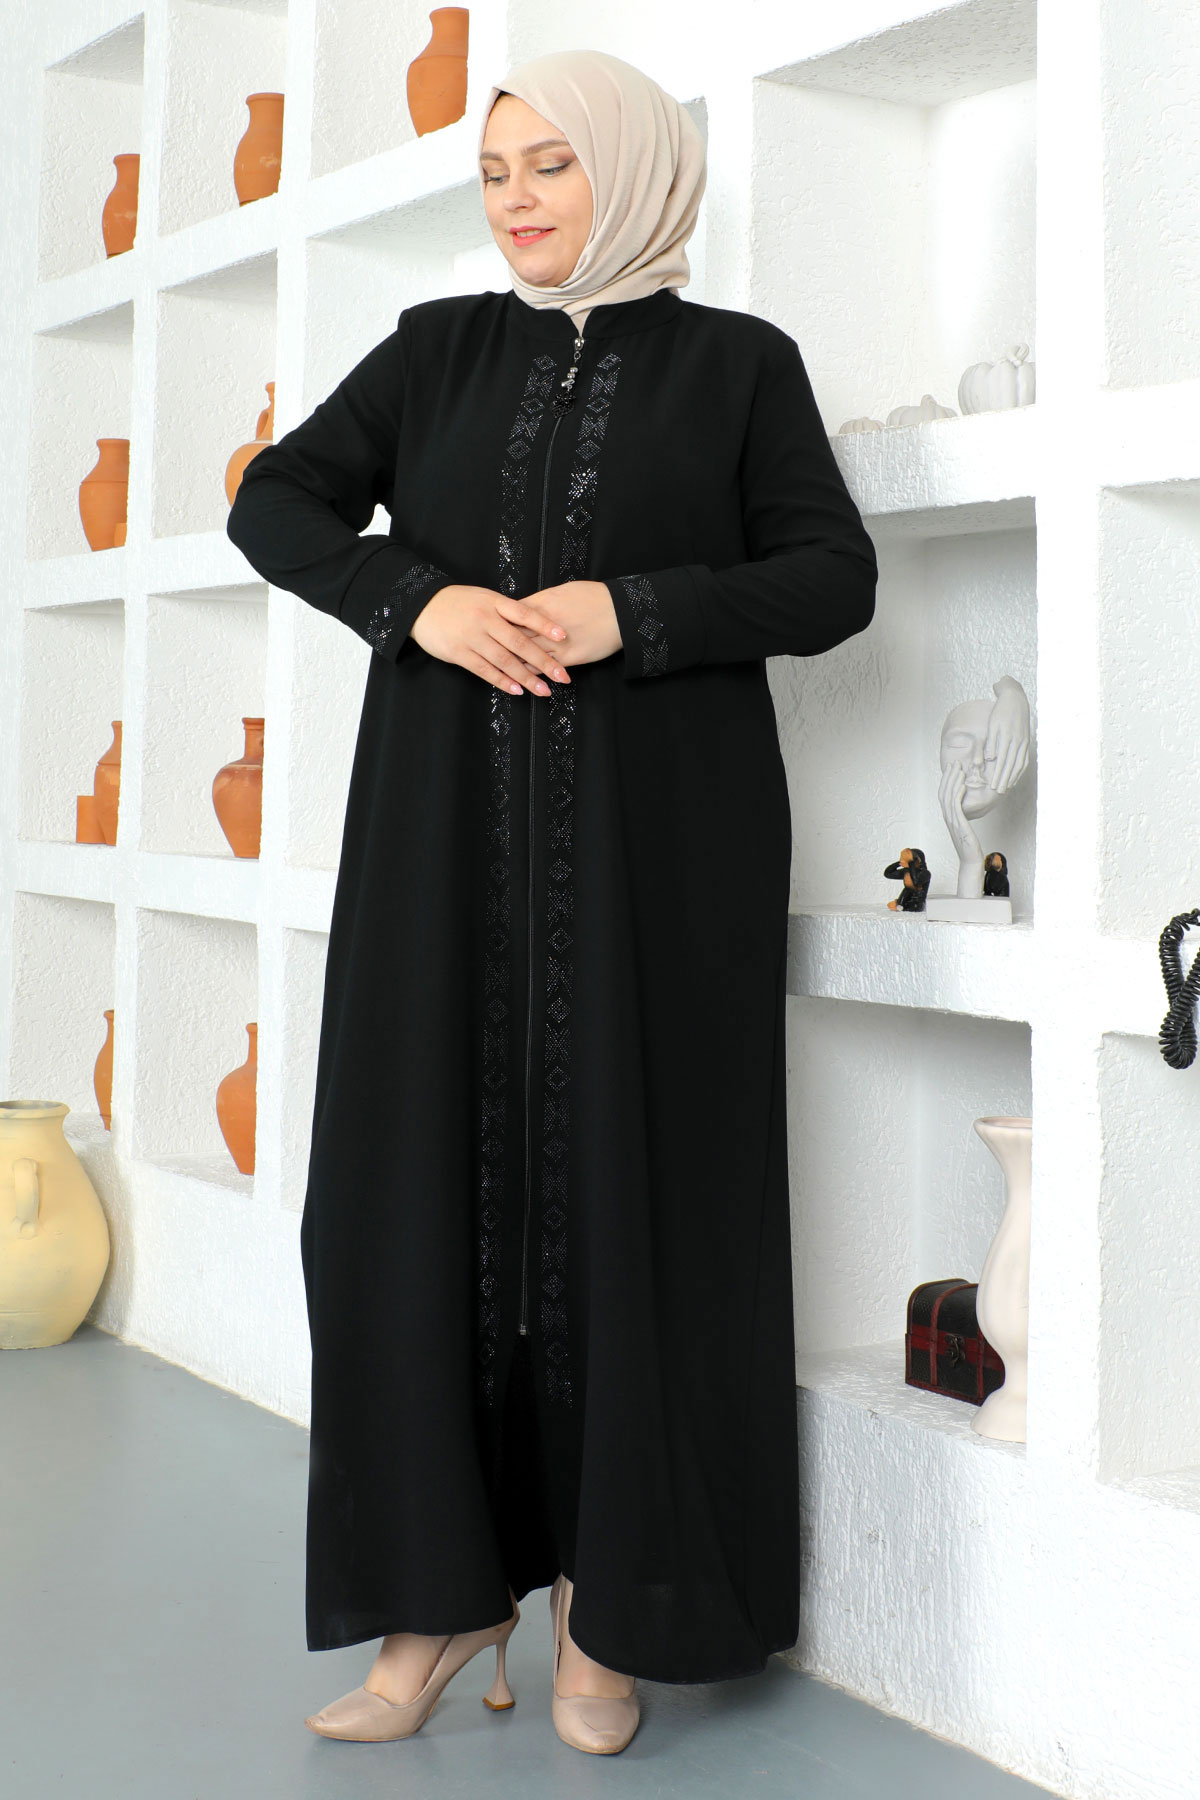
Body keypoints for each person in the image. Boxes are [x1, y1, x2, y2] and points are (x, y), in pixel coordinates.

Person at [225, 45, 879, 1757]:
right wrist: (416, 602)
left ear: (635, 170)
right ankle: (438, 1604)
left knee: (642, 1202)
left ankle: (611, 1610)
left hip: (668, 867)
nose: (516, 200)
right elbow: (276, 500)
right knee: (404, 1195)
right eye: (495, 170)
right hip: (438, 852)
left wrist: (631, 616)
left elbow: (832, 577)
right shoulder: (434, 352)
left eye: (552, 165)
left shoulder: (739, 368)